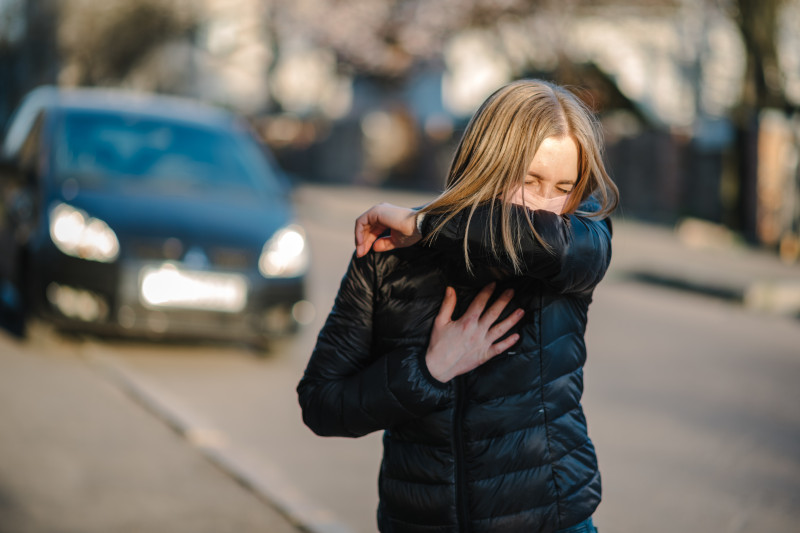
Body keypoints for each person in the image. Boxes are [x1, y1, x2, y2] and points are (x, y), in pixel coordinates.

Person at [297, 79, 618, 533]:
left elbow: (539, 240)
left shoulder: (576, 242)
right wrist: (429, 370)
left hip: (549, 521)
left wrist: (426, 223)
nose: (548, 206)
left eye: (563, 186)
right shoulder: (390, 259)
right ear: (486, 164)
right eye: (530, 180)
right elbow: (322, 404)